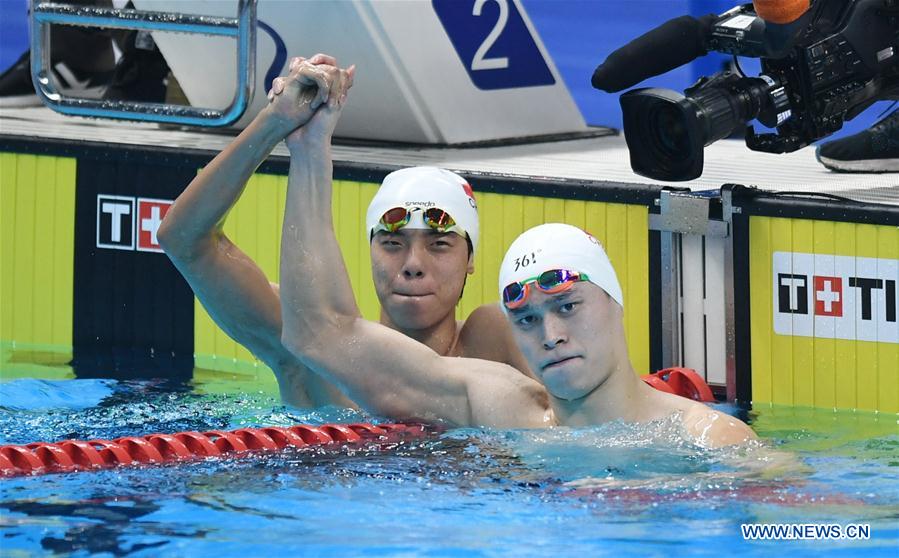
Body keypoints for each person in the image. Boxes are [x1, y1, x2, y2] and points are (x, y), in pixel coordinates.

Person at [275, 56, 756, 448]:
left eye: (567, 306)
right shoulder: (499, 406)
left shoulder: (710, 439)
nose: (550, 335)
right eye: (525, 319)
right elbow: (317, 332)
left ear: (614, 301)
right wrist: (310, 153)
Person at [156, 54, 533, 408]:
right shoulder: (315, 355)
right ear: (370, 249)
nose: (413, 264)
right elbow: (184, 239)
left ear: (470, 259)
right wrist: (274, 121)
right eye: (392, 243)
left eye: (438, 245)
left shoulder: (492, 343)